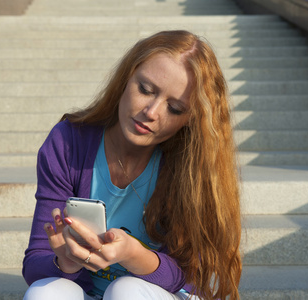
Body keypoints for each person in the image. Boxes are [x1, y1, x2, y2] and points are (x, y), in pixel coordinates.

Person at [22, 30, 242, 300]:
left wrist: (134, 255)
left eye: (174, 108)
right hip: (85, 292)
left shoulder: (192, 166)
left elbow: (190, 278)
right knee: (46, 292)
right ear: (126, 77)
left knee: (125, 291)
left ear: (190, 119)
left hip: (157, 294)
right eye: (145, 90)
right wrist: (66, 262)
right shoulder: (69, 142)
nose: (151, 112)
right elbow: (35, 263)